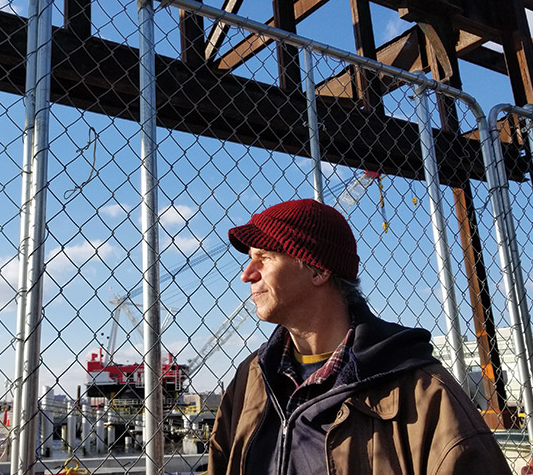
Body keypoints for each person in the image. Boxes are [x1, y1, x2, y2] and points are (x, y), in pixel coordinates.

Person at [208, 198, 510, 475]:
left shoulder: (423, 392)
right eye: (249, 258)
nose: (247, 274)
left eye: (265, 257)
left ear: (318, 271)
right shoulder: (251, 378)